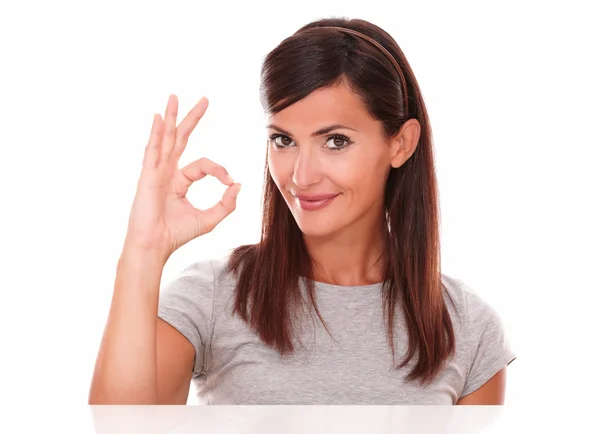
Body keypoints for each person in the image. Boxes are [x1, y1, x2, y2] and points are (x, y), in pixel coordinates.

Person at [88, 17, 516, 405]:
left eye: (335, 141)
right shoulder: (214, 296)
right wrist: (144, 251)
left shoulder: (466, 326)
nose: (301, 176)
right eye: (283, 140)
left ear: (400, 144)